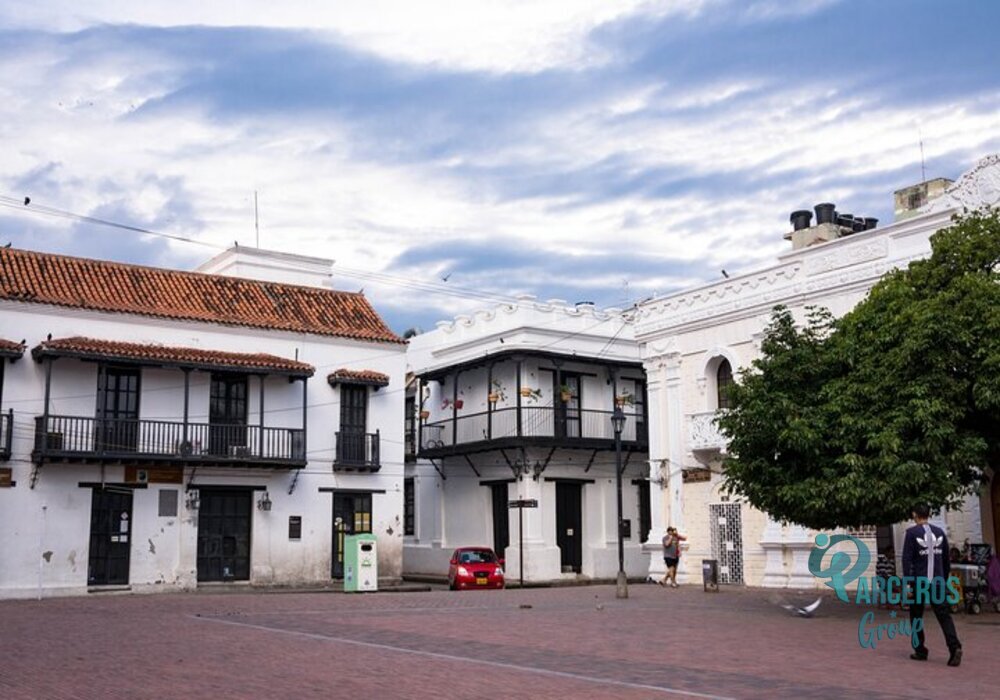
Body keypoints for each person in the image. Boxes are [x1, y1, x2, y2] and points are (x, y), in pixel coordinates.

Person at [902, 504, 962, 666]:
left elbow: (906, 560)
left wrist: (907, 584)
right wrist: (944, 579)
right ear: (928, 514)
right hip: (937, 581)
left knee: (916, 616)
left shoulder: (911, 533)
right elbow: (946, 561)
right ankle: (954, 646)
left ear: (915, 514)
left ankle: (920, 649)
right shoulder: (939, 532)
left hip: (919, 581)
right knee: (944, 615)